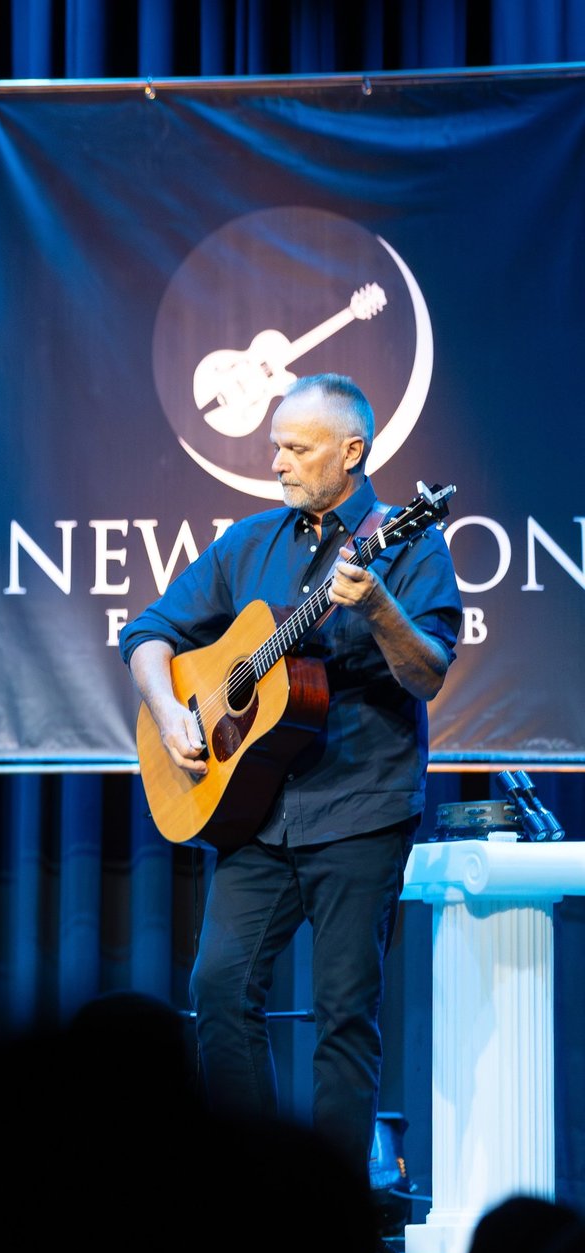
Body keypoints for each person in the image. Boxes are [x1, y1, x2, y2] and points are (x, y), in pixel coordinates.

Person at [121, 373, 461, 1169]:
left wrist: (377, 609)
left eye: (296, 448)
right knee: (219, 991)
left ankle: (330, 1215)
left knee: (345, 1015)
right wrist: (172, 713)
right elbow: (149, 630)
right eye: (276, 445)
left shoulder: (409, 541)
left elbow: (429, 673)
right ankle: (253, 1192)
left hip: (360, 809)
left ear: (352, 452)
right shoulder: (251, 543)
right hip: (256, 814)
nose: (276, 461)